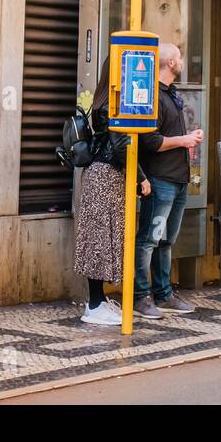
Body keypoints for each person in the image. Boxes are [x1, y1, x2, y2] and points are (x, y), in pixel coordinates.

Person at [74, 57, 151, 326]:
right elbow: (120, 146)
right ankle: (94, 306)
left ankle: (99, 301)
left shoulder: (104, 98)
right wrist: (140, 178)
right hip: (105, 176)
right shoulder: (113, 103)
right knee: (99, 240)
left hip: (104, 175)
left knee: (101, 239)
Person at [133, 43, 204, 319]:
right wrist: (183, 141)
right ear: (171, 63)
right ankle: (141, 297)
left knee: (165, 240)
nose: (183, 61)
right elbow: (148, 140)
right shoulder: (153, 96)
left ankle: (163, 293)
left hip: (178, 178)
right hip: (160, 179)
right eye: (180, 57)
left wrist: (185, 141)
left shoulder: (171, 94)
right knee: (149, 239)